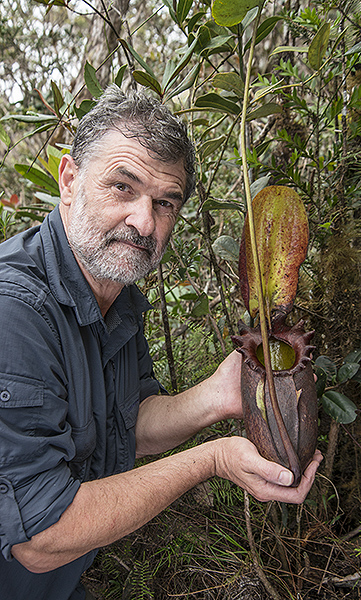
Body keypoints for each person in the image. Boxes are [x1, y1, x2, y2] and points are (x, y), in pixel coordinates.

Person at [0, 85, 322, 599]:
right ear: (68, 180)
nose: (144, 221)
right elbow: (41, 536)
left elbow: (129, 426)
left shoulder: (118, 297)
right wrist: (211, 459)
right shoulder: (14, 312)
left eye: (164, 202)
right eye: (123, 188)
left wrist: (219, 397)